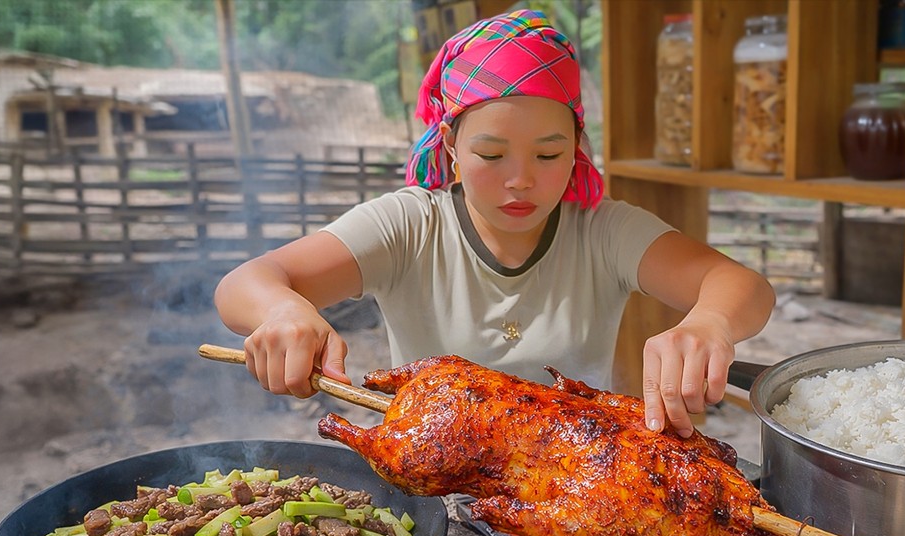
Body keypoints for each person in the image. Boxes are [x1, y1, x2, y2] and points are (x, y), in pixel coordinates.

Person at [213, 9, 774, 438]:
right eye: (492, 154)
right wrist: (285, 309)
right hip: (435, 490)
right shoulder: (409, 227)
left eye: (549, 156)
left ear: (578, 147)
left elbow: (742, 286)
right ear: (452, 144)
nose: (521, 181)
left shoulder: (602, 232)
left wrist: (709, 324)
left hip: (576, 480)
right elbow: (245, 284)